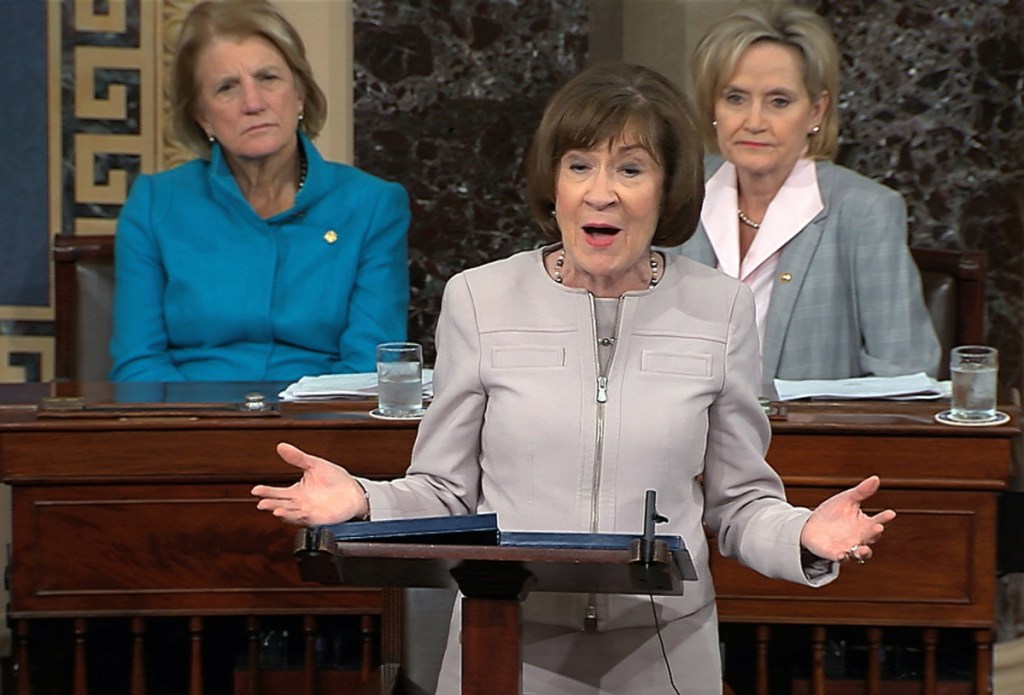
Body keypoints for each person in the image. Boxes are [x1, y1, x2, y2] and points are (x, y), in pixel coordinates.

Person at [252, 62, 895, 694]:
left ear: (666, 189)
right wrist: (363, 499)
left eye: (631, 169)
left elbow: (740, 504)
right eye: (579, 165)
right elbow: (444, 491)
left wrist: (804, 534)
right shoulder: (480, 299)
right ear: (553, 182)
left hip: (663, 649)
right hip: (507, 640)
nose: (601, 192)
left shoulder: (720, 309)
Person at [110, 0, 410, 382]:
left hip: (320, 430)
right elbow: (139, 365)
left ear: (299, 93)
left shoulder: (373, 206)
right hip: (189, 427)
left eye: (268, 78)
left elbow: (370, 365)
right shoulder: (154, 204)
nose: (253, 103)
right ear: (202, 116)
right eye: (226, 88)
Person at [667, 4, 940, 391]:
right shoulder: (677, 193)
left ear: (815, 110)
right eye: (735, 98)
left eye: (778, 101)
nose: (754, 121)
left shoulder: (865, 212)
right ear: (713, 106)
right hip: (684, 442)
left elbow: (906, 379)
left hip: (811, 447)